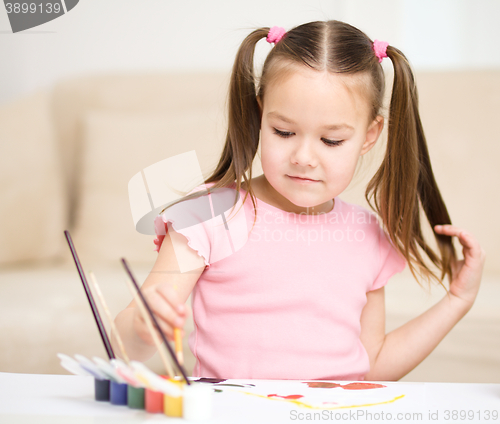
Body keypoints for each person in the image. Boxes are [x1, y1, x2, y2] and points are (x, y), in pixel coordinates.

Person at [114, 20, 486, 381]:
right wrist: (143, 328)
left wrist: (456, 302)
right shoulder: (206, 214)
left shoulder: (366, 234)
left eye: (331, 140)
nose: (304, 157)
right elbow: (124, 344)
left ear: (370, 135)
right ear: (261, 114)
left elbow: (370, 366)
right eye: (284, 131)